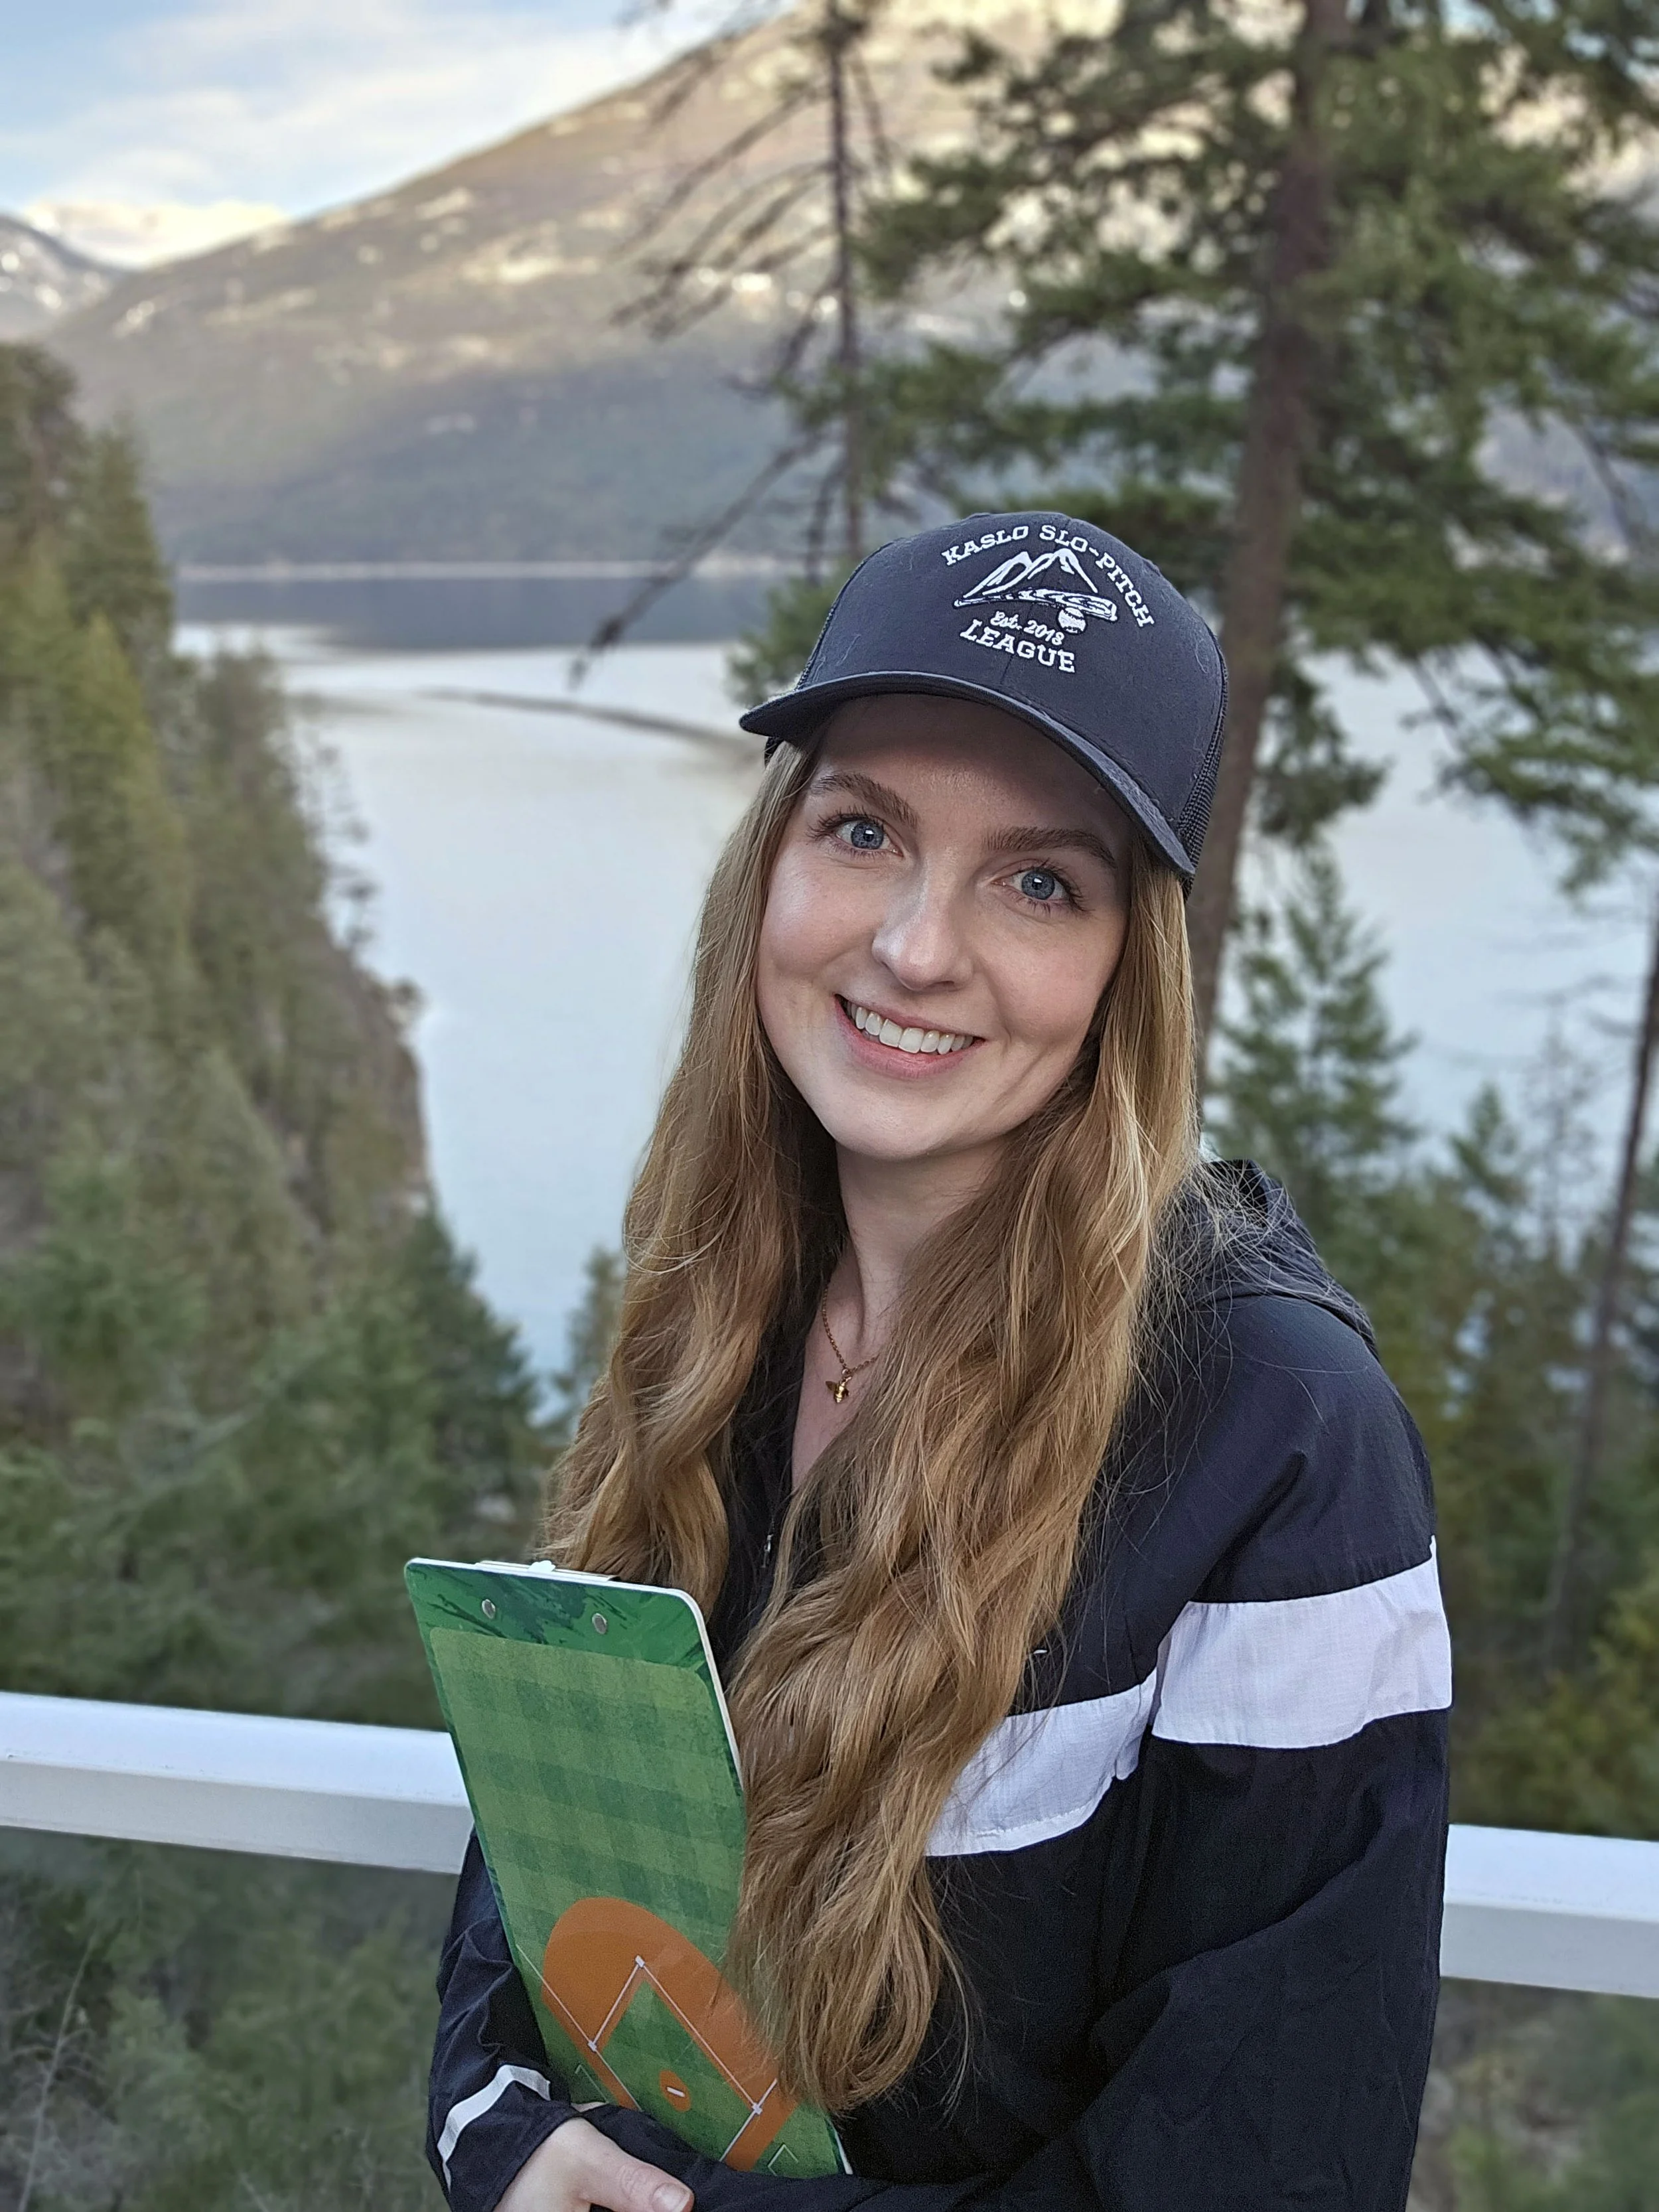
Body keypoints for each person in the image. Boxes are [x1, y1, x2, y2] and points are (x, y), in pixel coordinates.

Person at [427, 511, 1451, 2212]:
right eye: (862, 830)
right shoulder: (714, 1320)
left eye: (1037, 879)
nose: (912, 947)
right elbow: (536, 1889)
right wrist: (514, 2146)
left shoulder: (1274, 1439)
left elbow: (1263, 2153)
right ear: (771, 864)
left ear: (1133, 966)